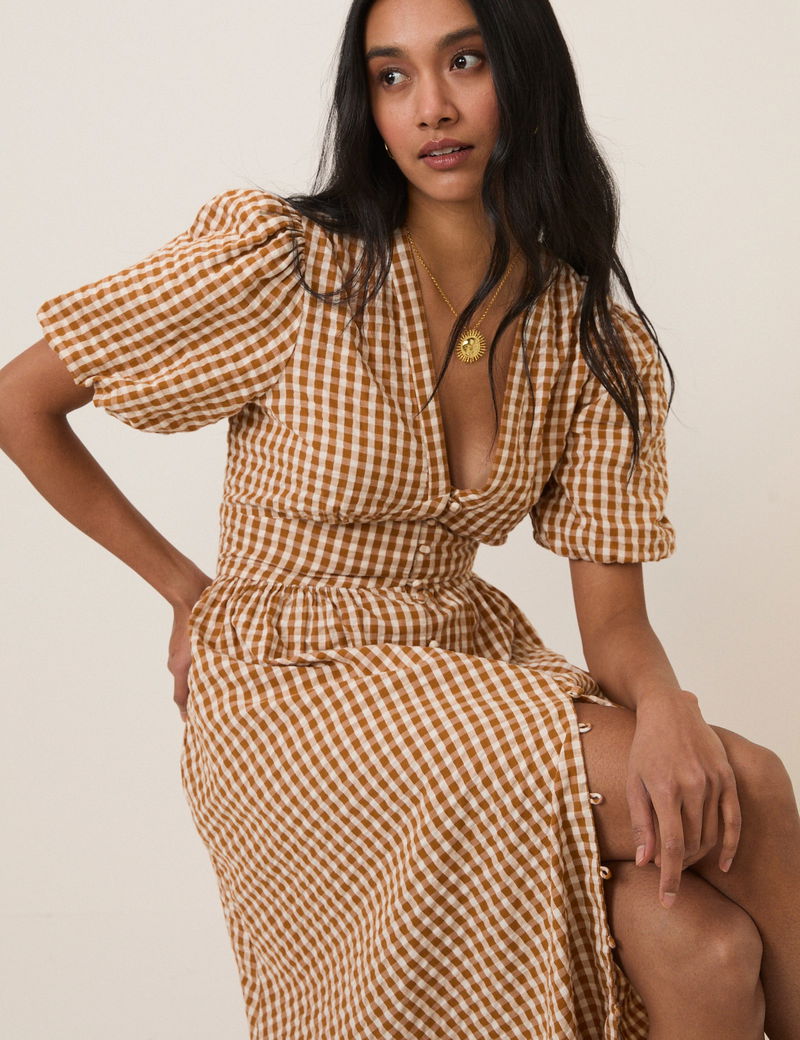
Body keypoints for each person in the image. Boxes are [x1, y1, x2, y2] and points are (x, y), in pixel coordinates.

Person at [1, 0, 798, 1036]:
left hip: (454, 662)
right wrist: (187, 590)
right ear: (368, 106)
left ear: (525, 77)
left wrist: (663, 706)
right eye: (392, 76)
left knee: (699, 943)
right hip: (289, 689)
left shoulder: (585, 335)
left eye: (464, 62)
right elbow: (21, 404)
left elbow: (615, 627)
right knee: (753, 788)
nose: (431, 108)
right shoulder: (288, 268)